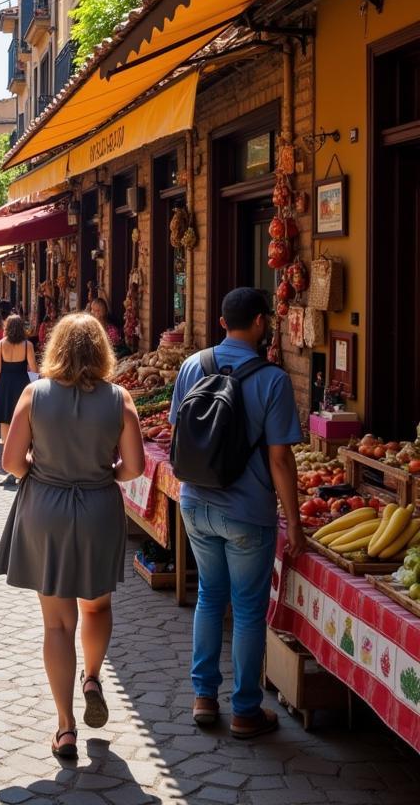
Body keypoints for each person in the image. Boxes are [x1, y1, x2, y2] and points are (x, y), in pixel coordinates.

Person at [0, 313, 144, 759]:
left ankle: (65, 727)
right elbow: (134, 468)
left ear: (54, 348)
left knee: (57, 622)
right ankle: (93, 676)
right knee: (97, 604)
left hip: (46, 505)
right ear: (103, 351)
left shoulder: (34, 393)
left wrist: (38, 476)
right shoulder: (120, 398)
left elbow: (10, 460)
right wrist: (103, 473)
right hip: (98, 505)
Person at [169, 287, 303, 738]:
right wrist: (296, 524)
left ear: (222, 322)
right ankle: (246, 709)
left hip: (195, 503)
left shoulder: (193, 366)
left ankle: (203, 696)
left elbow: (178, 431)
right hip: (248, 512)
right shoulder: (274, 380)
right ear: (262, 322)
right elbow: (281, 459)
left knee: (210, 596)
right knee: (247, 611)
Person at [0, 314, 37, 485]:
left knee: (5, 425)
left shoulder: (0, 345)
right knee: (26, 425)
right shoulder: (27, 345)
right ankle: (24, 462)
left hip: (4, 387)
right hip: (22, 386)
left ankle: (9, 467)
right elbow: (33, 369)